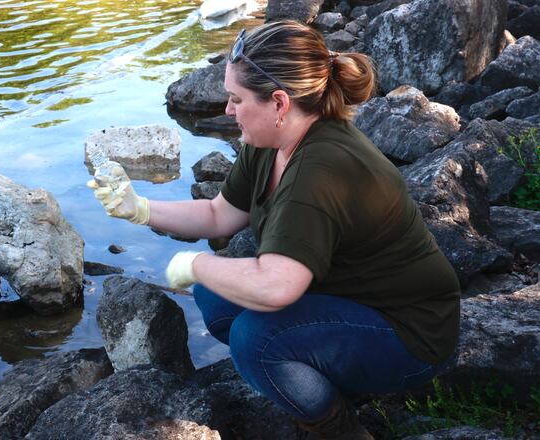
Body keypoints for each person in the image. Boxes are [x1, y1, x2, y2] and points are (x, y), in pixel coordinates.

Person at [88, 20, 460, 440]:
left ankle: (341, 430)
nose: (227, 111)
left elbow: (276, 287)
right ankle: (320, 376)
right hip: (351, 300)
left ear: (279, 103)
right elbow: (217, 215)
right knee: (217, 295)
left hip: (412, 334)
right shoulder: (271, 144)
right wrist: (138, 209)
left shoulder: (320, 170)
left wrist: (196, 263)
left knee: (256, 339)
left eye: (236, 99)